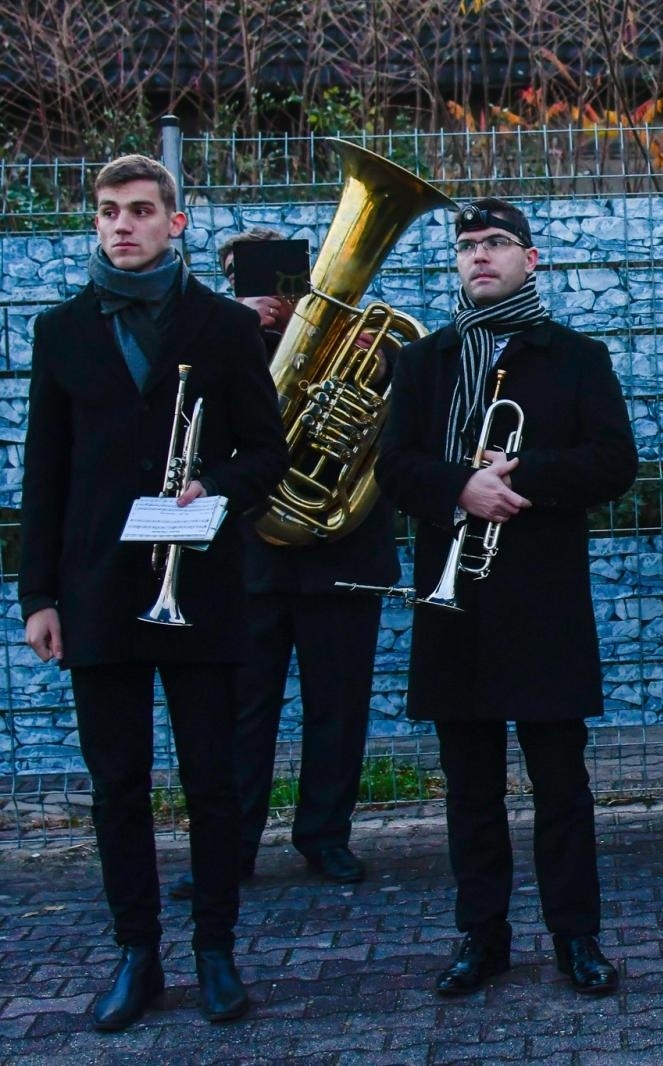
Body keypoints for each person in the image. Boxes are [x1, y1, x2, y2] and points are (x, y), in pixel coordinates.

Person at [20, 155, 289, 1029]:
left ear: (176, 222)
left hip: (200, 586)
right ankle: (138, 955)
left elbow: (268, 454)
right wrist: (39, 598)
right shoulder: (60, 330)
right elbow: (44, 475)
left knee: (212, 781)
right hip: (97, 590)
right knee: (117, 786)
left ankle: (216, 950)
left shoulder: (222, 325)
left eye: (141, 210)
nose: (122, 224)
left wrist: (211, 486)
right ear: (94, 222)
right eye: (108, 212)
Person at [376, 197, 637, 996]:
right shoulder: (422, 361)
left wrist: (517, 479)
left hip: (543, 600)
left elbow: (614, 463)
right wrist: (462, 487)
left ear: (533, 261)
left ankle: (577, 937)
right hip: (454, 602)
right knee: (470, 785)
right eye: (466, 246)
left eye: (496, 243)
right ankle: (480, 935)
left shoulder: (577, 357)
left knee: (562, 782)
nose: (478, 255)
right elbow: (392, 470)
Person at [168, 228, 401, 901]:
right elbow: (181, 418)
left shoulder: (356, 336)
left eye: (281, 282)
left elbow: (402, 406)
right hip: (246, 558)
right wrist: (234, 332)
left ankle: (324, 836)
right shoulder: (209, 338)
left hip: (341, 549)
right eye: (251, 283)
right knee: (241, 711)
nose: (271, 297)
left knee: (338, 705)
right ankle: (230, 848)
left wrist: (377, 360)